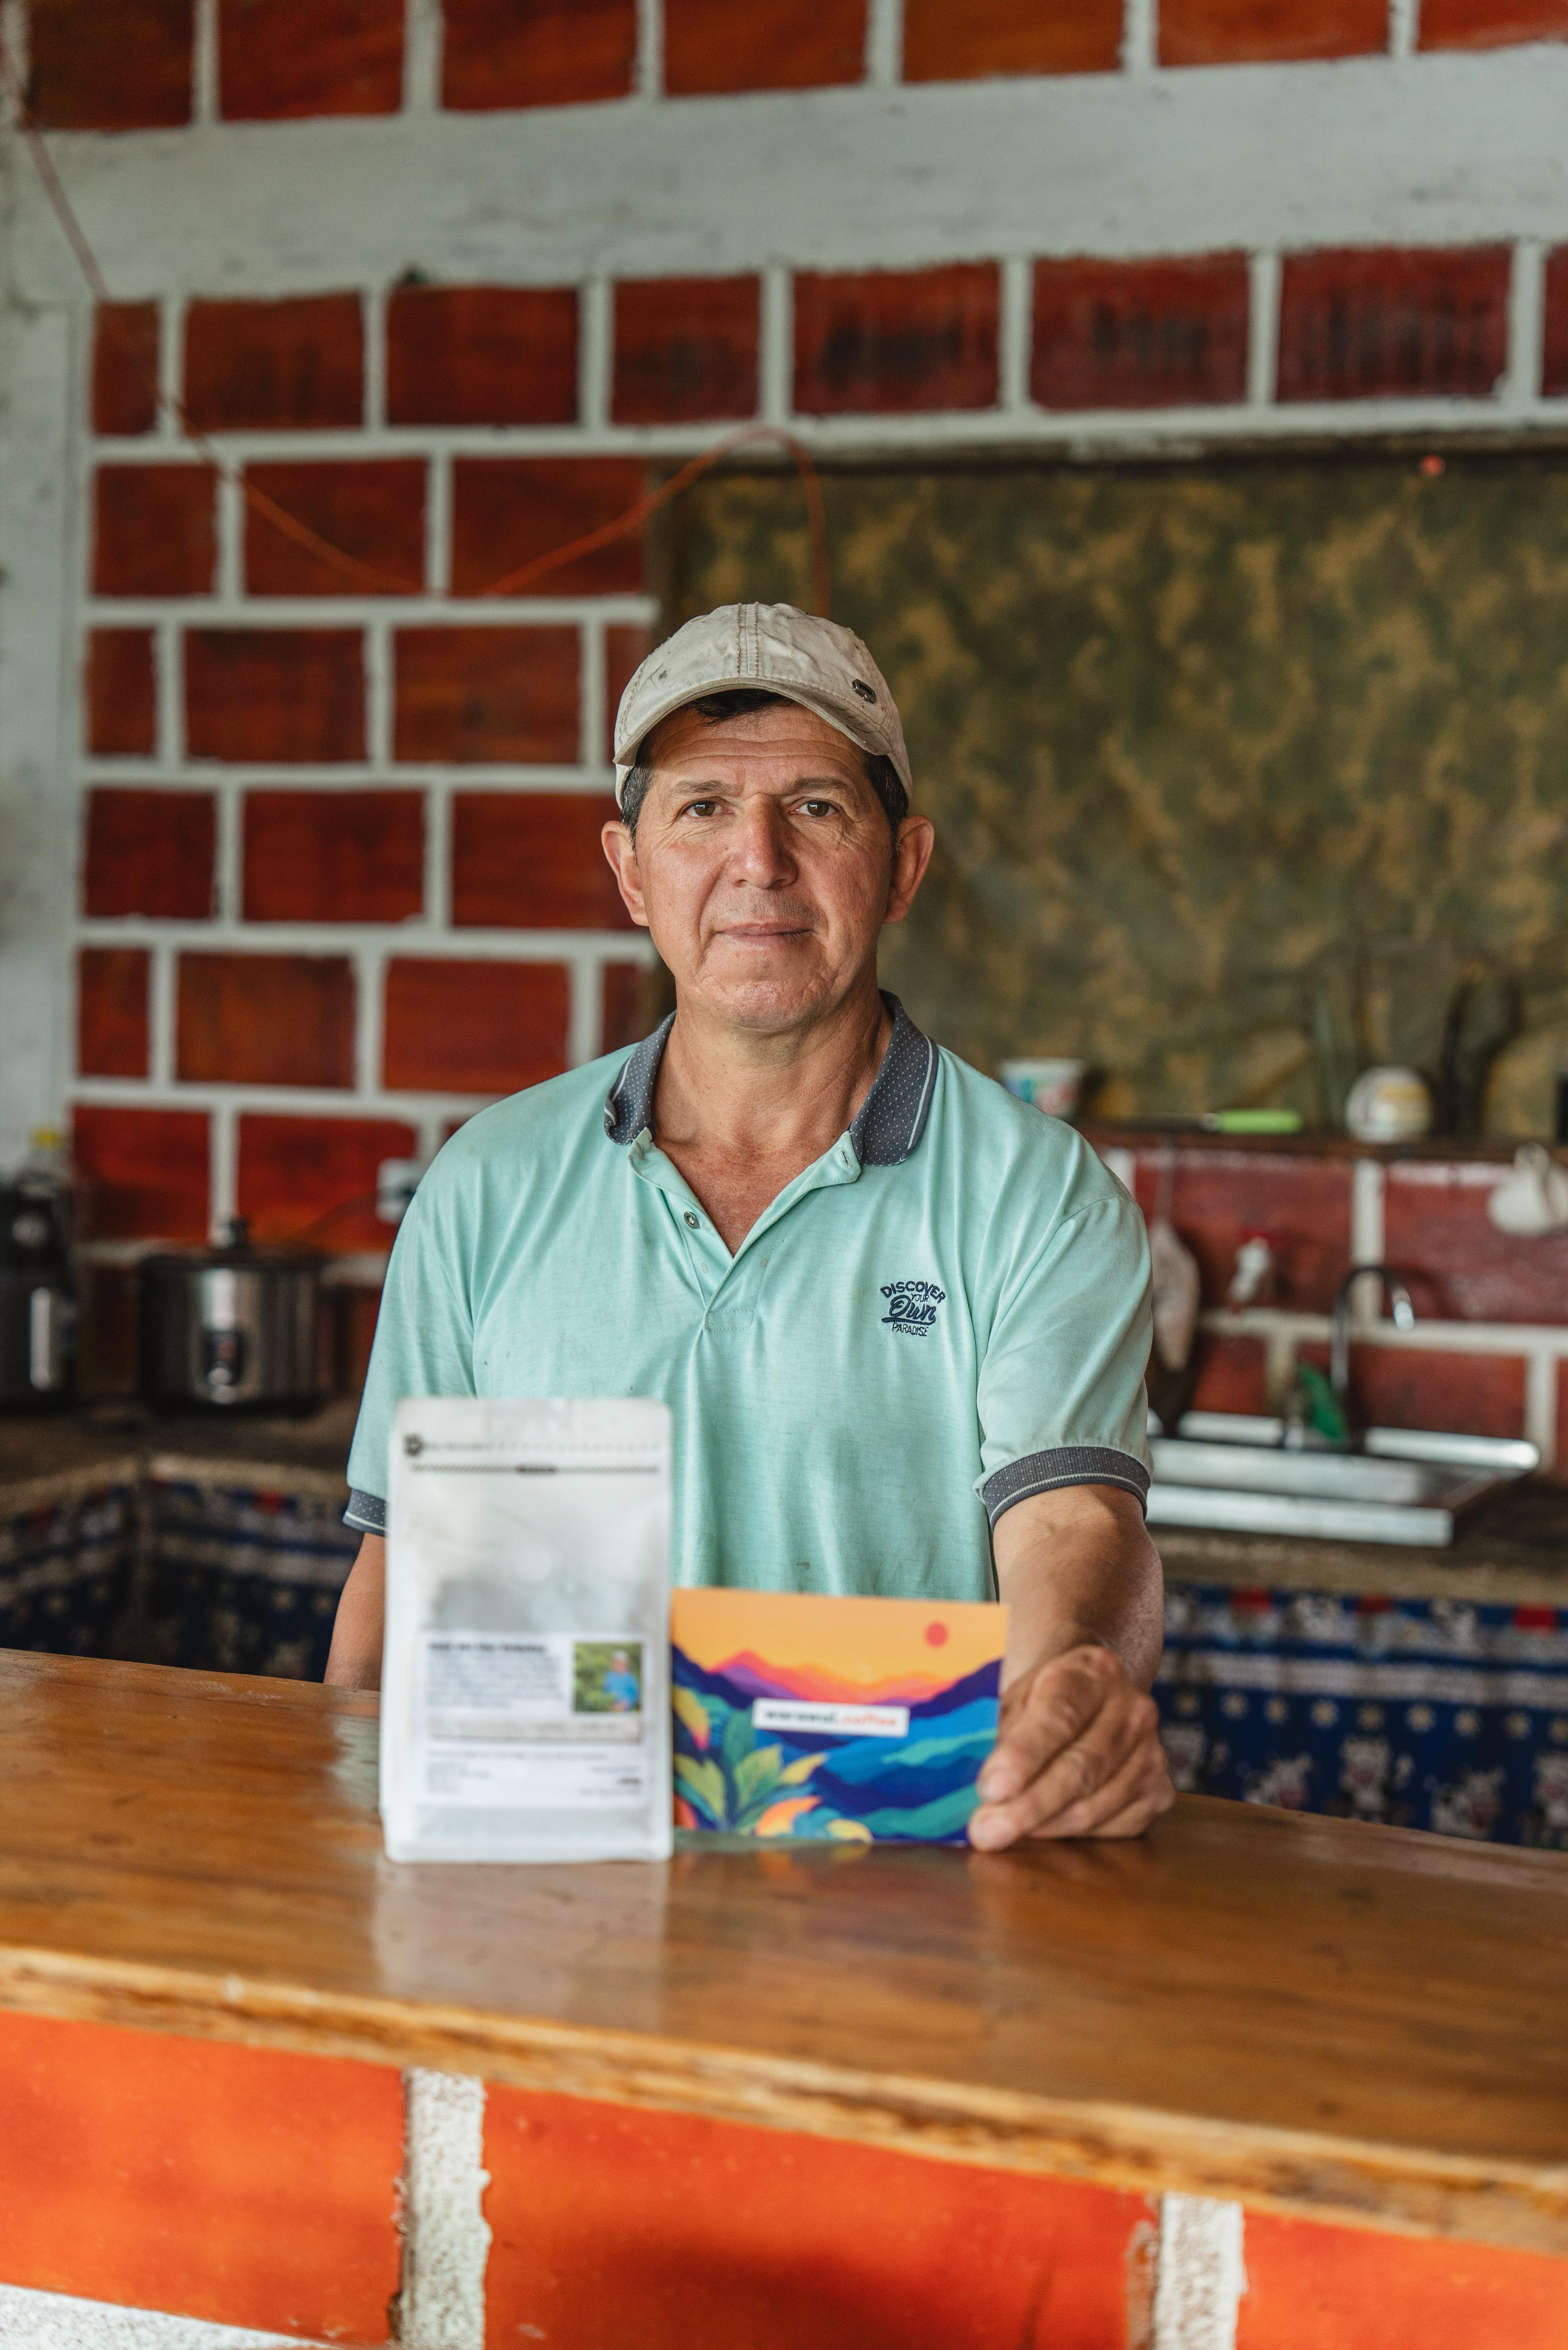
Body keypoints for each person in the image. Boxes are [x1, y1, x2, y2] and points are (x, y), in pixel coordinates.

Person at [326, 602, 1172, 1849]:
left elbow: (1072, 1527)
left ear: (905, 863)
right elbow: (405, 1567)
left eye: (818, 808)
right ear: (630, 869)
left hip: (902, 1885)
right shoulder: (488, 1186)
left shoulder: (1033, 1197)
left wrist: (1069, 1698)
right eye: (703, 808)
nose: (759, 861)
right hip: (543, 1880)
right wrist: (347, 1833)